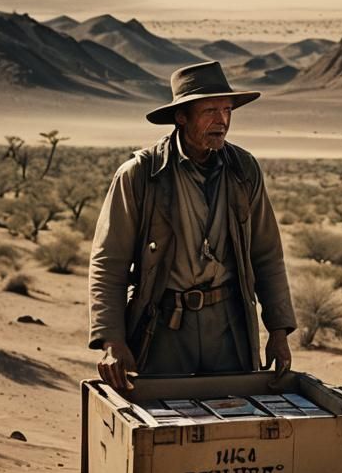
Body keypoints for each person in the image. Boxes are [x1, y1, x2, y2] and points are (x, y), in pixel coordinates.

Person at [89, 60, 296, 390]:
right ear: (181, 117)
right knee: (163, 424)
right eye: (210, 110)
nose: (222, 121)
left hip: (229, 324)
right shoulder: (141, 175)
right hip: (163, 325)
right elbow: (108, 263)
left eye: (227, 110)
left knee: (234, 420)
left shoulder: (243, 170)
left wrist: (279, 330)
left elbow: (267, 255)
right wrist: (111, 341)